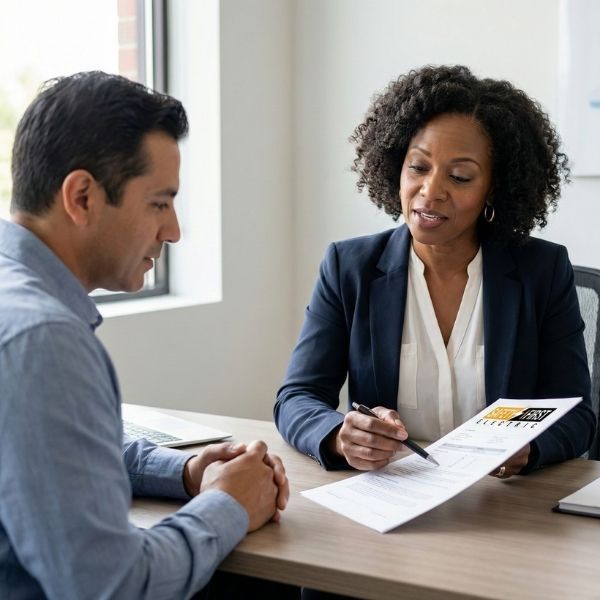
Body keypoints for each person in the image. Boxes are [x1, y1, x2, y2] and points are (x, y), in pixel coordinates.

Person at [0, 71, 297, 599]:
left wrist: (184, 470)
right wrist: (228, 504)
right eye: (159, 203)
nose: (174, 230)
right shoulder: (42, 339)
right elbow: (113, 587)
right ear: (83, 196)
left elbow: (53, 454)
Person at [275, 64, 596, 479]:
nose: (430, 192)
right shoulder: (348, 267)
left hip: (505, 507)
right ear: (396, 167)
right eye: (419, 167)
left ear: (493, 189)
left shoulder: (542, 271)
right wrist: (341, 434)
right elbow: (297, 397)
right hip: (392, 496)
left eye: (460, 176)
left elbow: (578, 418)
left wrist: (528, 447)